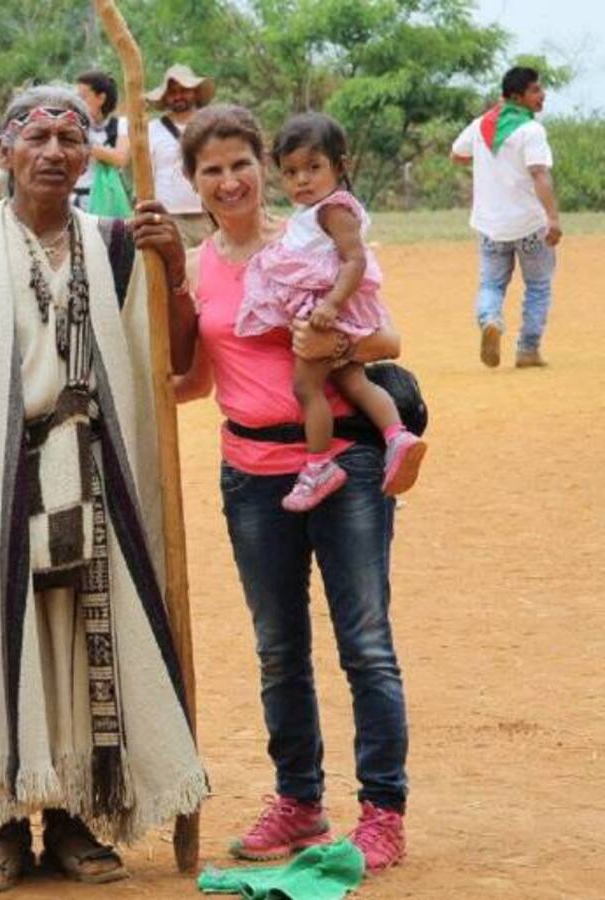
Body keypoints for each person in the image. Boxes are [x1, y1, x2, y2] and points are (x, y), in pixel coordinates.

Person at [0, 84, 207, 893]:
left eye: (74, 136)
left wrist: (171, 265)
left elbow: (174, 356)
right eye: (38, 137)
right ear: (4, 151)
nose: (56, 151)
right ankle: (2, 818)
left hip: (93, 475)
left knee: (79, 642)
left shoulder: (115, 245)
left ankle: (70, 816)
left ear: (88, 153)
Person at [172, 104, 409, 873]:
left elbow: (388, 340)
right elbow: (198, 379)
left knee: (365, 646)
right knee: (279, 651)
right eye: (212, 169)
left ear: (263, 168)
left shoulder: (307, 235)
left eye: (242, 163)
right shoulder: (195, 267)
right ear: (194, 183)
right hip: (250, 477)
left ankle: (382, 812)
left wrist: (336, 338)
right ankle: (300, 802)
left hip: (344, 463)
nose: (230, 179)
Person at [236, 113, 426, 511]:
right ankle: (396, 436)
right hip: (329, 308)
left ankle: (320, 465)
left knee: (307, 388)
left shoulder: (333, 209)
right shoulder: (314, 212)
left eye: (312, 167)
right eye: (290, 172)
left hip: (327, 311)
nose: (301, 180)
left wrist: (330, 305)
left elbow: (355, 260)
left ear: (340, 166)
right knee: (352, 383)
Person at [451, 65, 559, 369]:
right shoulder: (531, 130)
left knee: (491, 285)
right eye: (535, 90)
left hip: (490, 225)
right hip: (530, 225)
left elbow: (456, 155)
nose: (542, 95)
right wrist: (553, 218)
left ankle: (490, 319)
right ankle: (527, 350)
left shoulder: (481, 125)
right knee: (537, 286)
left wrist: (487, 161)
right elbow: (540, 175)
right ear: (517, 96)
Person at [145, 64, 214, 248]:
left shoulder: (211, 124)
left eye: (184, 90)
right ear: (166, 97)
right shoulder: (152, 130)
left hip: (208, 214)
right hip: (168, 217)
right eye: (172, 92)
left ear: (195, 92)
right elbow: (147, 174)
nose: (178, 96)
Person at [72, 71, 130, 214]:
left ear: (101, 98)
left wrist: (84, 143)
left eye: (82, 97)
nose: (77, 102)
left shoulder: (120, 124)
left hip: (108, 200)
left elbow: (120, 158)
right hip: (74, 198)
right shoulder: (74, 123)